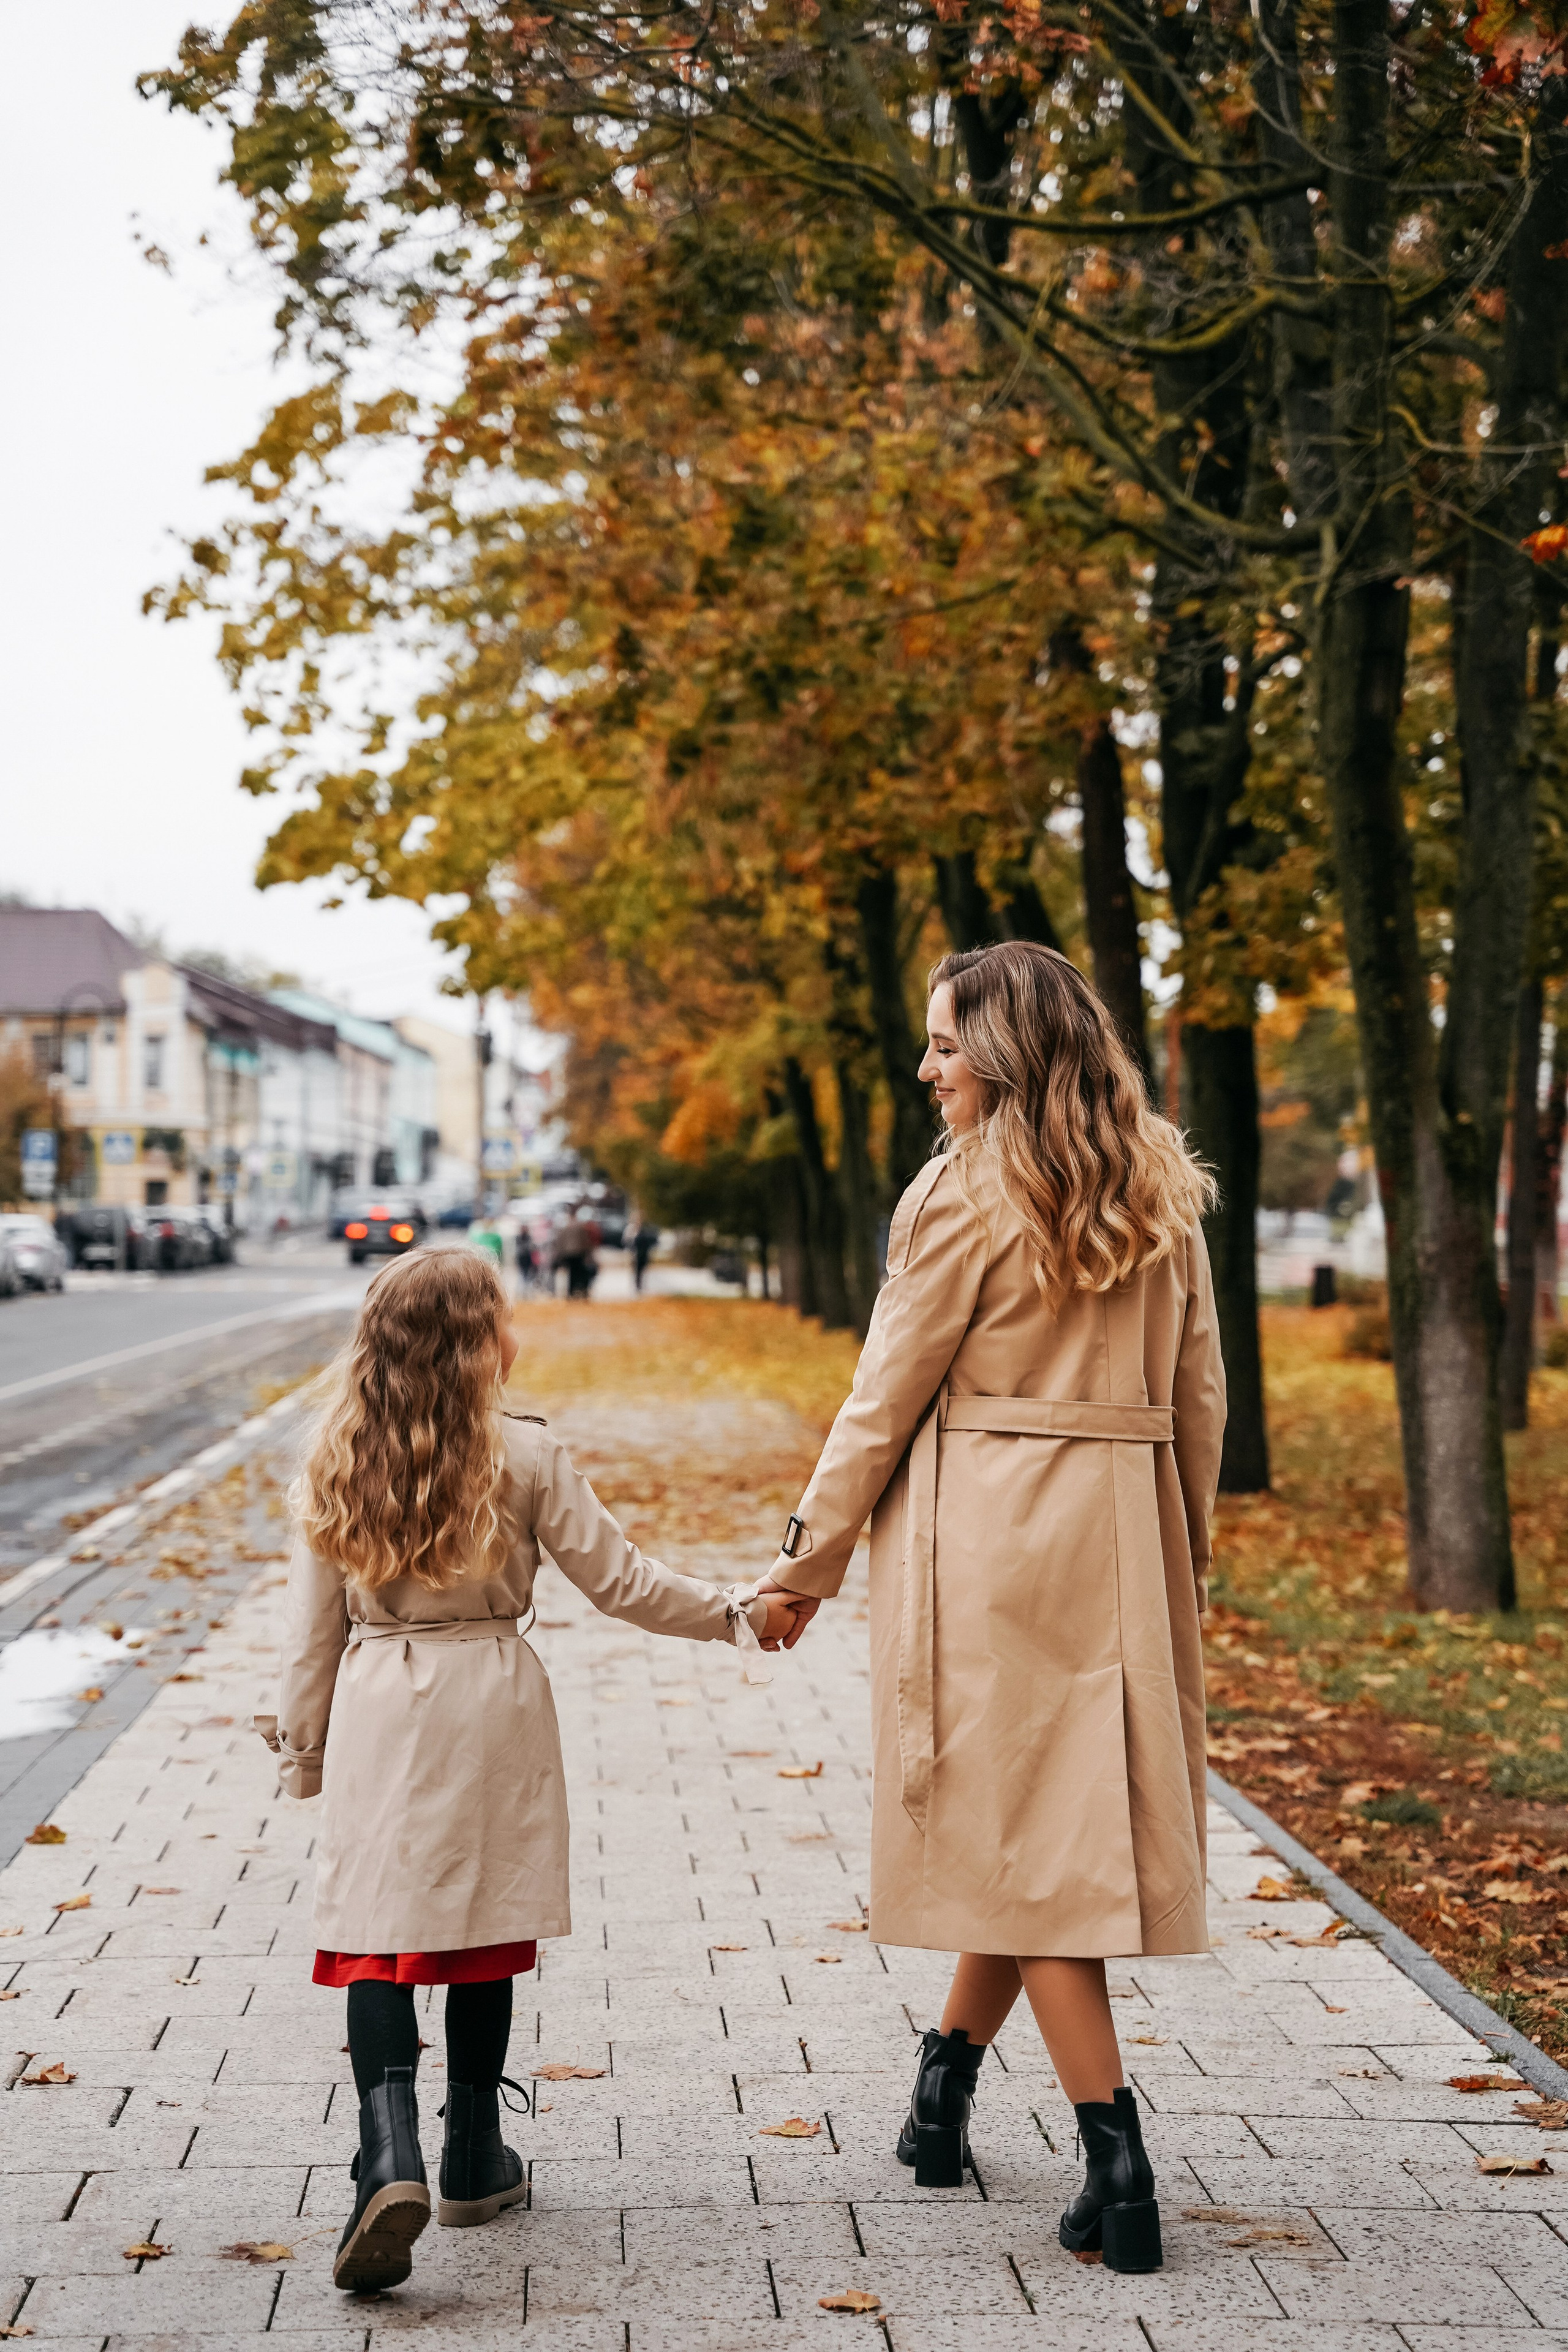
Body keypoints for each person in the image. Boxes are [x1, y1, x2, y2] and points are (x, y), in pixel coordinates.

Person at [757, 941, 1225, 2275]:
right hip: (1119, 1545)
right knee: (1044, 1844)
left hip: (990, 1547)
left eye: (947, 1046)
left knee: (1032, 1866)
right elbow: (1199, 1403)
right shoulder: (1158, 1190)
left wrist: (804, 1564)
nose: (926, 1069)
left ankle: (1115, 2164)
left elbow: (882, 1395)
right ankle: (941, 2089)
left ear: (1008, 1055)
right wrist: (1180, 1559)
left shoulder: (963, 1194)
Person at [258, 1247, 802, 2293]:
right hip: (492, 1698)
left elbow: (307, 1635)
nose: (519, 1336)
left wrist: (304, 1757)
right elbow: (623, 1581)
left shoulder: (336, 1455)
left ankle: (387, 2153)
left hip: (378, 1704)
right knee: (480, 1929)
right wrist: (738, 1613)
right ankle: (470, 2160)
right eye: (503, 1320)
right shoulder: (525, 1456)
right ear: (472, 1346)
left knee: (375, 1935)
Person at [630, 1218, 659, 1293]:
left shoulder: (638, 1237)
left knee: (638, 1272)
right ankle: (640, 1285)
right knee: (642, 1271)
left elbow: (633, 1246)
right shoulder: (647, 1237)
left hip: (638, 1256)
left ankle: (638, 1285)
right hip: (645, 1256)